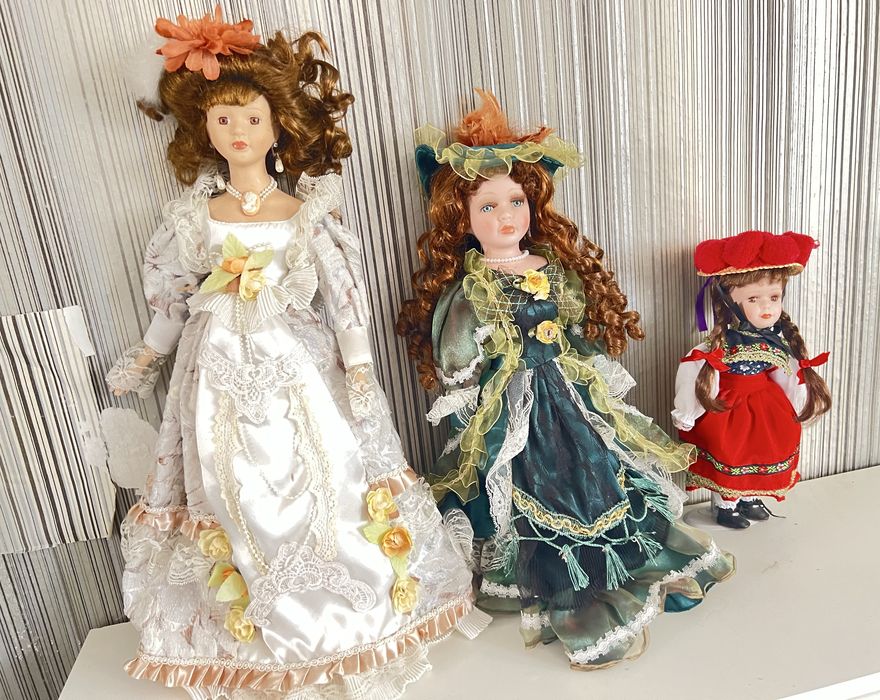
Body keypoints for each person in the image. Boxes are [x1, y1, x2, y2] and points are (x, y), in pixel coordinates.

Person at [108, 9, 484, 699]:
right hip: (215, 375)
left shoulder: (304, 212)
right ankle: (257, 632)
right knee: (232, 486)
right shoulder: (193, 218)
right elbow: (173, 302)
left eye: (250, 118)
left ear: (277, 125)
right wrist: (147, 355)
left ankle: (351, 617)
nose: (238, 132)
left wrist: (359, 365)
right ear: (203, 128)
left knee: (328, 472)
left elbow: (343, 297)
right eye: (223, 119)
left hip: (299, 366)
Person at [397, 90, 734, 669]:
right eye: (488, 206)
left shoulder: (550, 268)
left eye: (516, 201)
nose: (505, 216)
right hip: (513, 403)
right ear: (463, 218)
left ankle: (624, 554)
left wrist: (593, 375)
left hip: (567, 390)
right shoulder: (472, 285)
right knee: (527, 483)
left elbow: (575, 328)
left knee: (600, 465)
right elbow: (457, 351)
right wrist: (472, 399)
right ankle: (561, 578)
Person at [672, 230, 832, 528]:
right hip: (728, 409)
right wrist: (688, 411)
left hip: (765, 406)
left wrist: (800, 402)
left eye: (774, 297)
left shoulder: (775, 343)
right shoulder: (718, 346)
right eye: (754, 299)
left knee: (763, 450)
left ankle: (751, 497)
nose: (767, 307)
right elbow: (696, 372)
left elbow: (786, 375)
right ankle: (726, 504)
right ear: (729, 301)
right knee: (731, 453)